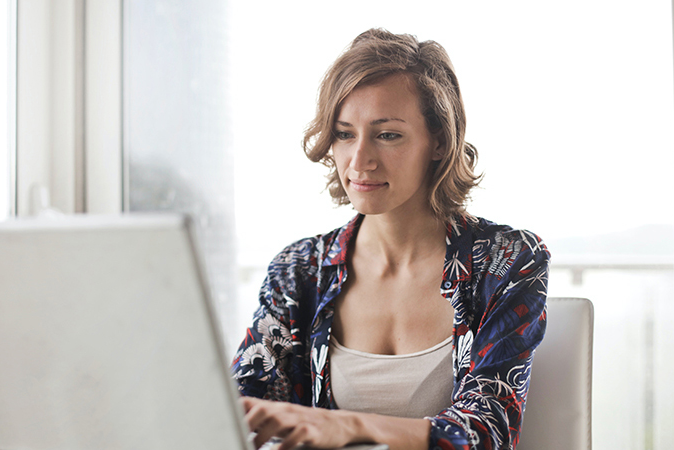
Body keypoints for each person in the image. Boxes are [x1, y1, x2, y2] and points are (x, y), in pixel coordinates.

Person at [231, 28, 549, 450]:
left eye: (387, 135)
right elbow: (241, 410)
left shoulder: (507, 261)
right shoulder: (299, 270)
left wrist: (350, 427)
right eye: (345, 134)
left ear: (438, 141)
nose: (359, 160)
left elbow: (488, 432)